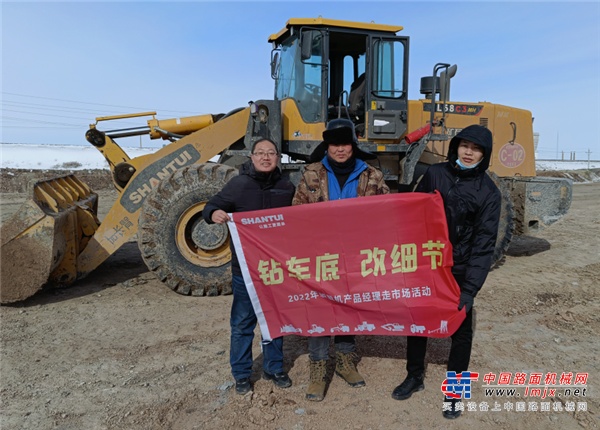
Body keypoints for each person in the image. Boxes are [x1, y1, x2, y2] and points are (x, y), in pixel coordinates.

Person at [391, 124, 501, 419]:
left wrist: (469, 290)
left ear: (484, 154)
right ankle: (414, 375)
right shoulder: (436, 174)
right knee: (419, 321)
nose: (468, 152)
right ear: (456, 147)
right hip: (429, 265)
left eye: (476, 148)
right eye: (465, 145)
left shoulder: (489, 193)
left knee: (461, 332)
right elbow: (413, 215)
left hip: (461, 271)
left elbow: (483, 245)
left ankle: (455, 392)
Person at [292, 118, 390, 401]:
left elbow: (386, 212)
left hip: (355, 256)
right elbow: (297, 211)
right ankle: (318, 369)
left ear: (352, 145)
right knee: (320, 311)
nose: (340, 149)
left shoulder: (372, 176)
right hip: (321, 256)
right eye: (334, 144)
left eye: (345, 143)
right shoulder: (311, 174)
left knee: (349, 308)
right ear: (327, 146)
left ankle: (345, 362)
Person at [203, 137, 296, 395]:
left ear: (278, 158)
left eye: (271, 153)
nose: (266, 157)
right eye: (260, 153)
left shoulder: (287, 187)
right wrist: (214, 214)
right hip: (244, 271)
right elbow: (211, 206)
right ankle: (242, 373)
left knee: (275, 320)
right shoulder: (238, 185)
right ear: (251, 157)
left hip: (275, 271)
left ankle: (274, 367)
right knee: (243, 323)